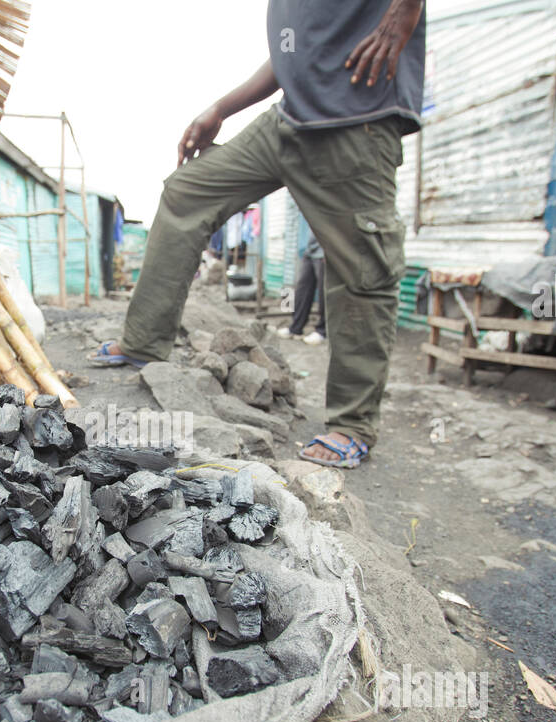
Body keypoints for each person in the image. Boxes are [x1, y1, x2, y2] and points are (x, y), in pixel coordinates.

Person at [92, 0, 425, 468]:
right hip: (287, 120)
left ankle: (351, 423)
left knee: (362, 268)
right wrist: (221, 108)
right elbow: (292, 53)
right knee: (187, 191)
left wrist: (407, 8)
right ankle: (144, 342)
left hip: (355, 116)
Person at [278, 224, 326, 344]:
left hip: (325, 250)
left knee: (323, 292)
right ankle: (296, 328)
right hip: (310, 249)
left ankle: (322, 331)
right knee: (301, 289)